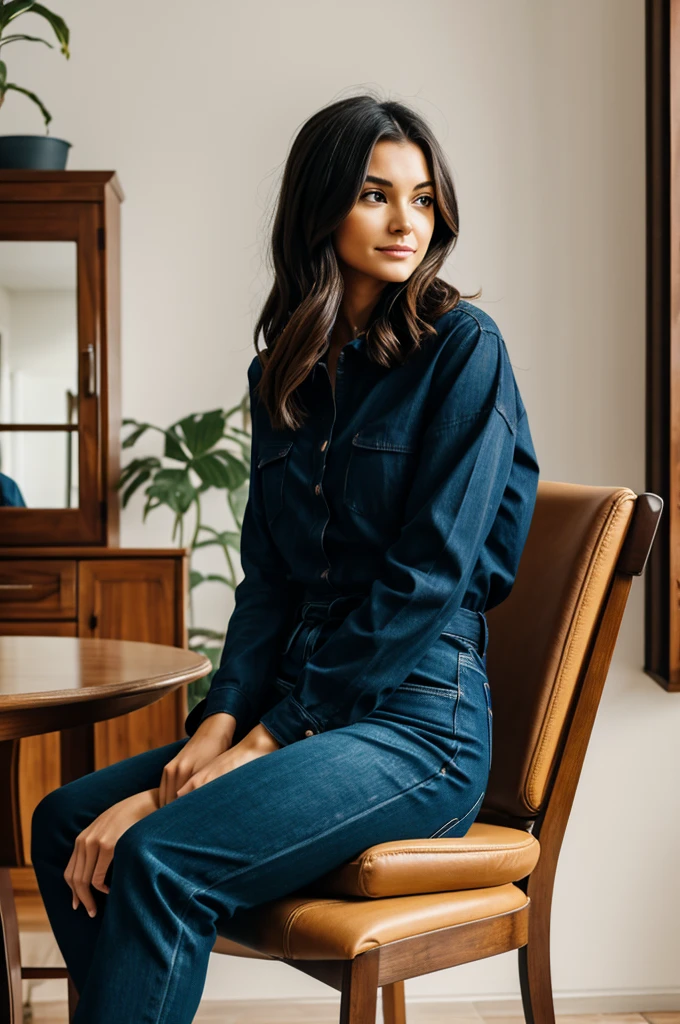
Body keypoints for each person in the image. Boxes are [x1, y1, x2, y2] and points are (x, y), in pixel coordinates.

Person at [31, 93, 540, 1023]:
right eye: (376, 195)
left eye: (422, 199)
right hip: (302, 711)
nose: (405, 223)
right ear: (320, 210)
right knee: (63, 821)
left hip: (421, 725)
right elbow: (266, 579)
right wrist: (220, 724)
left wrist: (272, 735)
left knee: (159, 857)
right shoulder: (284, 372)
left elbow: (428, 581)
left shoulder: (464, 348)